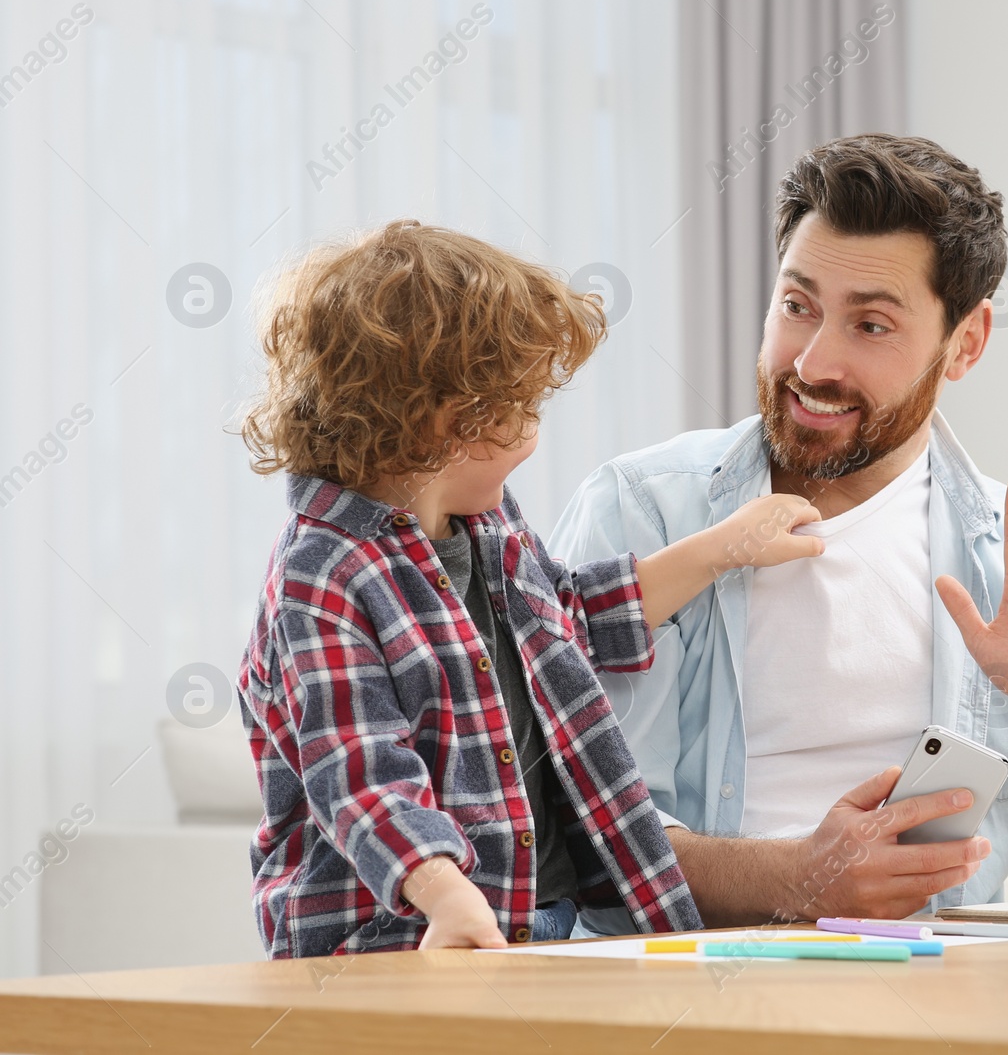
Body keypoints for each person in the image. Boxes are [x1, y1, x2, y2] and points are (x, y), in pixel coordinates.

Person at [549, 134, 1008, 931]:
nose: (813, 362)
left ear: (965, 342)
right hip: (688, 995)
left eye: (871, 325)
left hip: (938, 1000)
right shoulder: (645, 512)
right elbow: (571, 832)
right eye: (798, 307)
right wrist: (798, 878)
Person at [235, 220, 822, 957]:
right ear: (449, 423)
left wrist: (719, 550)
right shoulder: (320, 575)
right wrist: (448, 898)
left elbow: (567, 620)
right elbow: (360, 773)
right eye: (524, 409)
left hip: (535, 921)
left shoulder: (485, 524)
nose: (534, 432)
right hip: (394, 941)